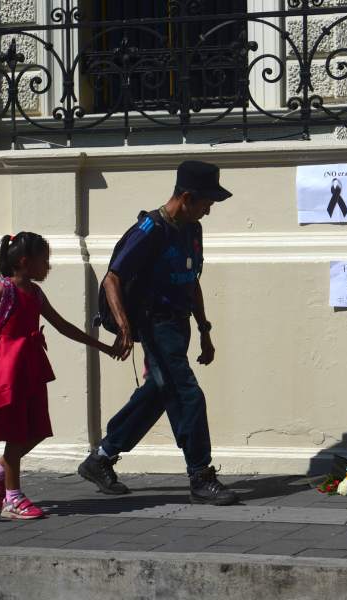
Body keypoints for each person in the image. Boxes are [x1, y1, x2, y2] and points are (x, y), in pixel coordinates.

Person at [78, 160, 239, 506]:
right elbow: (112, 279)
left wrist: (205, 329)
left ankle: (101, 458)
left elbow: (192, 279)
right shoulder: (151, 229)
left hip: (179, 325)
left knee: (157, 394)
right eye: (206, 203)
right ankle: (200, 474)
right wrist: (124, 326)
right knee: (187, 395)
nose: (209, 211)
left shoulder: (192, 229)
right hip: (156, 325)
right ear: (185, 197)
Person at [0, 232, 119, 520]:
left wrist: (103, 347)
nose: (48, 266)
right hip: (6, 367)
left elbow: (62, 326)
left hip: (29, 364)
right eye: (44, 260)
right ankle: (12, 497)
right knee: (16, 430)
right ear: (24, 261)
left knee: (36, 428)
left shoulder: (35, 293)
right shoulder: (3, 291)